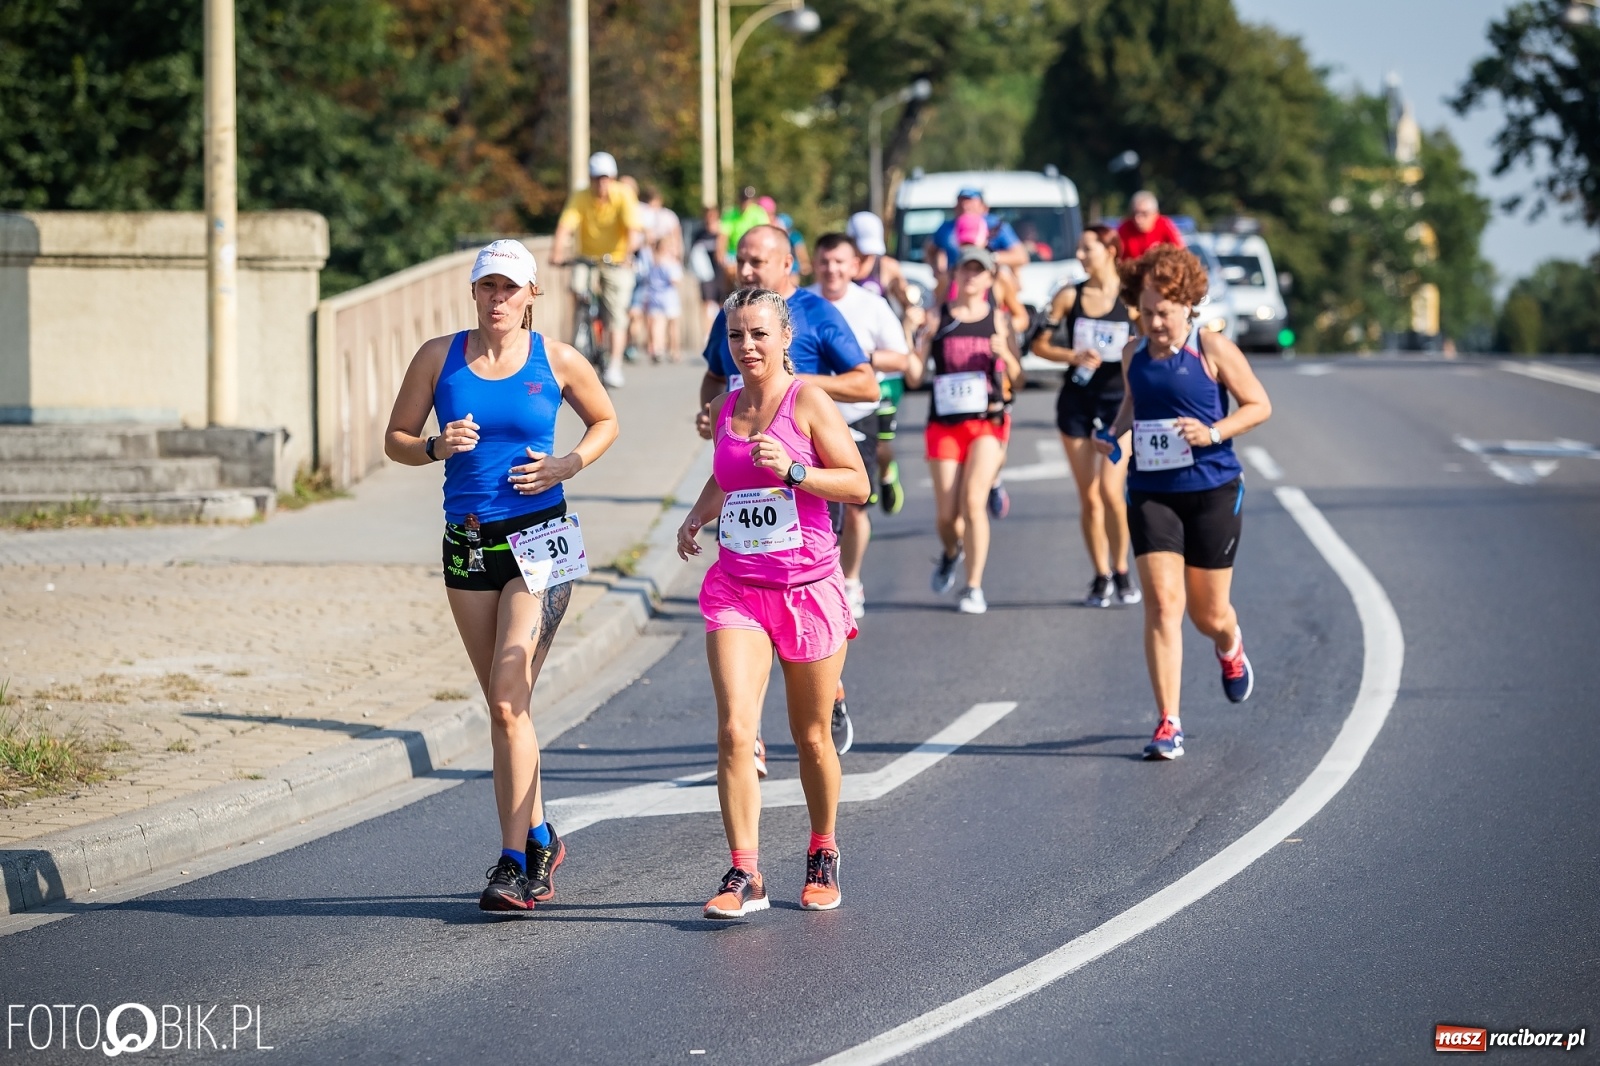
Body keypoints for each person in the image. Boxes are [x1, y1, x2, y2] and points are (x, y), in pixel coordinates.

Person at [383, 239, 619, 910]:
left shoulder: (557, 359)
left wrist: (567, 464)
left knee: (510, 695)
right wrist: (434, 446)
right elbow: (394, 441)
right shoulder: (439, 357)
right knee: (503, 703)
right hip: (467, 543)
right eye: (488, 286)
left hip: (540, 538)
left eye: (510, 288)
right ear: (474, 291)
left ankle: (513, 861)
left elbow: (606, 420)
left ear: (531, 295)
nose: (498, 298)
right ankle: (541, 834)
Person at [676, 287, 871, 918]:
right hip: (738, 588)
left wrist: (794, 470)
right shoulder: (727, 402)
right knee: (736, 729)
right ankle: (745, 873)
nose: (747, 346)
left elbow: (858, 485)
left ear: (786, 337)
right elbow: (727, 474)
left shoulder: (807, 400)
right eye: (736, 336)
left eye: (759, 333)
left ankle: (822, 851)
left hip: (808, 590)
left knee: (811, 736)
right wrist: (698, 516)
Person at [697, 225, 877, 766]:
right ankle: (745, 732)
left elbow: (867, 383)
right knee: (749, 609)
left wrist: (797, 390)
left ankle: (827, 687)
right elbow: (714, 377)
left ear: (787, 265)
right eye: (741, 260)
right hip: (745, 479)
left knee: (803, 614)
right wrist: (711, 412)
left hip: (812, 470)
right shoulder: (733, 316)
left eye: (758, 261)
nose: (747, 270)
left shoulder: (819, 315)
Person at [1096, 244, 1272, 760]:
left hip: (1214, 490)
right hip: (1152, 492)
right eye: (1146, 312)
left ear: (1187, 305)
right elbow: (1133, 407)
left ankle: (1230, 643)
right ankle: (1168, 722)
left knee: (1207, 613)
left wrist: (1213, 431)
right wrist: (1113, 436)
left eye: (1164, 313)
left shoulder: (1212, 348)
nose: (1155, 323)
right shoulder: (1133, 353)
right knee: (1162, 605)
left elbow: (1259, 405)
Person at [906, 245, 1023, 615]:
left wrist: (1004, 353)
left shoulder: (999, 320)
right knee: (946, 516)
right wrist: (917, 338)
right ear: (955, 276)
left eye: (979, 270)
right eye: (966, 269)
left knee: (973, 502)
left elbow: (1018, 381)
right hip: (944, 424)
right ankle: (951, 552)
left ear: (990, 278)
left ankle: (973, 586)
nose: (972, 276)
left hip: (987, 422)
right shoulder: (939, 317)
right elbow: (913, 376)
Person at [1031, 224, 1141, 607]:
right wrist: (1072, 356)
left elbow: (1151, 340)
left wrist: (1134, 348)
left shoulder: (1131, 298)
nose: (1080, 255)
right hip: (1077, 403)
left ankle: (1122, 568)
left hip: (1117, 406)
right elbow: (1039, 344)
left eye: (1087, 249)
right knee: (1090, 497)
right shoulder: (1069, 295)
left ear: (1110, 250)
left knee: (1112, 492)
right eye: (1079, 249)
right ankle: (1100, 575)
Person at [807, 232, 911, 626]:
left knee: (852, 506)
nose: (832, 269)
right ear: (814, 264)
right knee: (815, 502)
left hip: (856, 416)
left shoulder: (871, 306)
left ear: (855, 266)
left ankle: (850, 581)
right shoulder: (801, 304)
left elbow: (901, 359)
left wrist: (856, 358)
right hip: (808, 419)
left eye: (840, 262)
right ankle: (818, 581)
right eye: (825, 261)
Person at [552, 151, 644, 388]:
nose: (601, 183)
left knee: (616, 312)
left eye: (605, 178)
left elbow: (633, 230)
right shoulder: (581, 196)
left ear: (612, 178)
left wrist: (627, 255)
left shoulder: (623, 195)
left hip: (615, 260)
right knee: (577, 287)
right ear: (591, 179)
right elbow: (565, 225)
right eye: (596, 178)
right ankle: (581, 329)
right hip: (586, 257)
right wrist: (557, 251)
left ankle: (614, 364)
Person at [926, 188, 1029, 293]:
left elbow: (1021, 257)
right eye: (962, 201)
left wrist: (988, 258)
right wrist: (937, 272)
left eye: (970, 202)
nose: (965, 206)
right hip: (956, 283)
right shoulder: (946, 228)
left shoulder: (995, 227)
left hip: (986, 283)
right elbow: (930, 249)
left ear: (983, 207)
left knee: (1003, 276)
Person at [640, 231, 684, 364]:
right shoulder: (670, 262)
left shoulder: (653, 260)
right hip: (668, 296)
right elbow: (674, 279)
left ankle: (657, 348)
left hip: (654, 295)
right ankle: (674, 350)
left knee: (657, 324)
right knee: (672, 325)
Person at [689, 206, 729, 334]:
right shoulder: (699, 235)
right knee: (707, 304)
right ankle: (709, 334)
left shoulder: (722, 234)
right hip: (706, 275)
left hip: (720, 273)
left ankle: (722, 332)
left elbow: (723, 254)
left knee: (722, 303)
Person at [1116, 191, 1184, 261]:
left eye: (1144, 214)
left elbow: (1180, 253)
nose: (1138, 219)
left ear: (1155, 214)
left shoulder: (1165, 225)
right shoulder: (1124, 229)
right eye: (1134, 213)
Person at [721, 186, 771, 275]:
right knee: (729, 272)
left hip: (754, 251)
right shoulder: (730, 214)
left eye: (748, 200)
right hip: (734, 252)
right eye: (744, 199)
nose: (746, 203)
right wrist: (721, 253)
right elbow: (723, 236)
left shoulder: (759, 213)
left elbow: (764, 234)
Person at [775, 212, 812, 279]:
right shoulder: (775, 238)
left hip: (793, 268)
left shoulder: (794, 236)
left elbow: (800, 250)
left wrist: (804, 263)